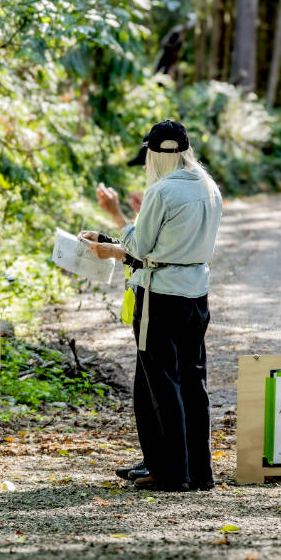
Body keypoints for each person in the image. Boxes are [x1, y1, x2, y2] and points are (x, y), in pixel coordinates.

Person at [80, 119, 222, 492]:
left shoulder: (162, 191)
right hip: (196, 294)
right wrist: (116, 242)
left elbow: (141, 248)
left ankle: (173, 472)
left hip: (160, 295)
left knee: (161, 381)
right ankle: (191, 468)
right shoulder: (209, 187)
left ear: (153, 156)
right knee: (190, 379)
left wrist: (117, 219)